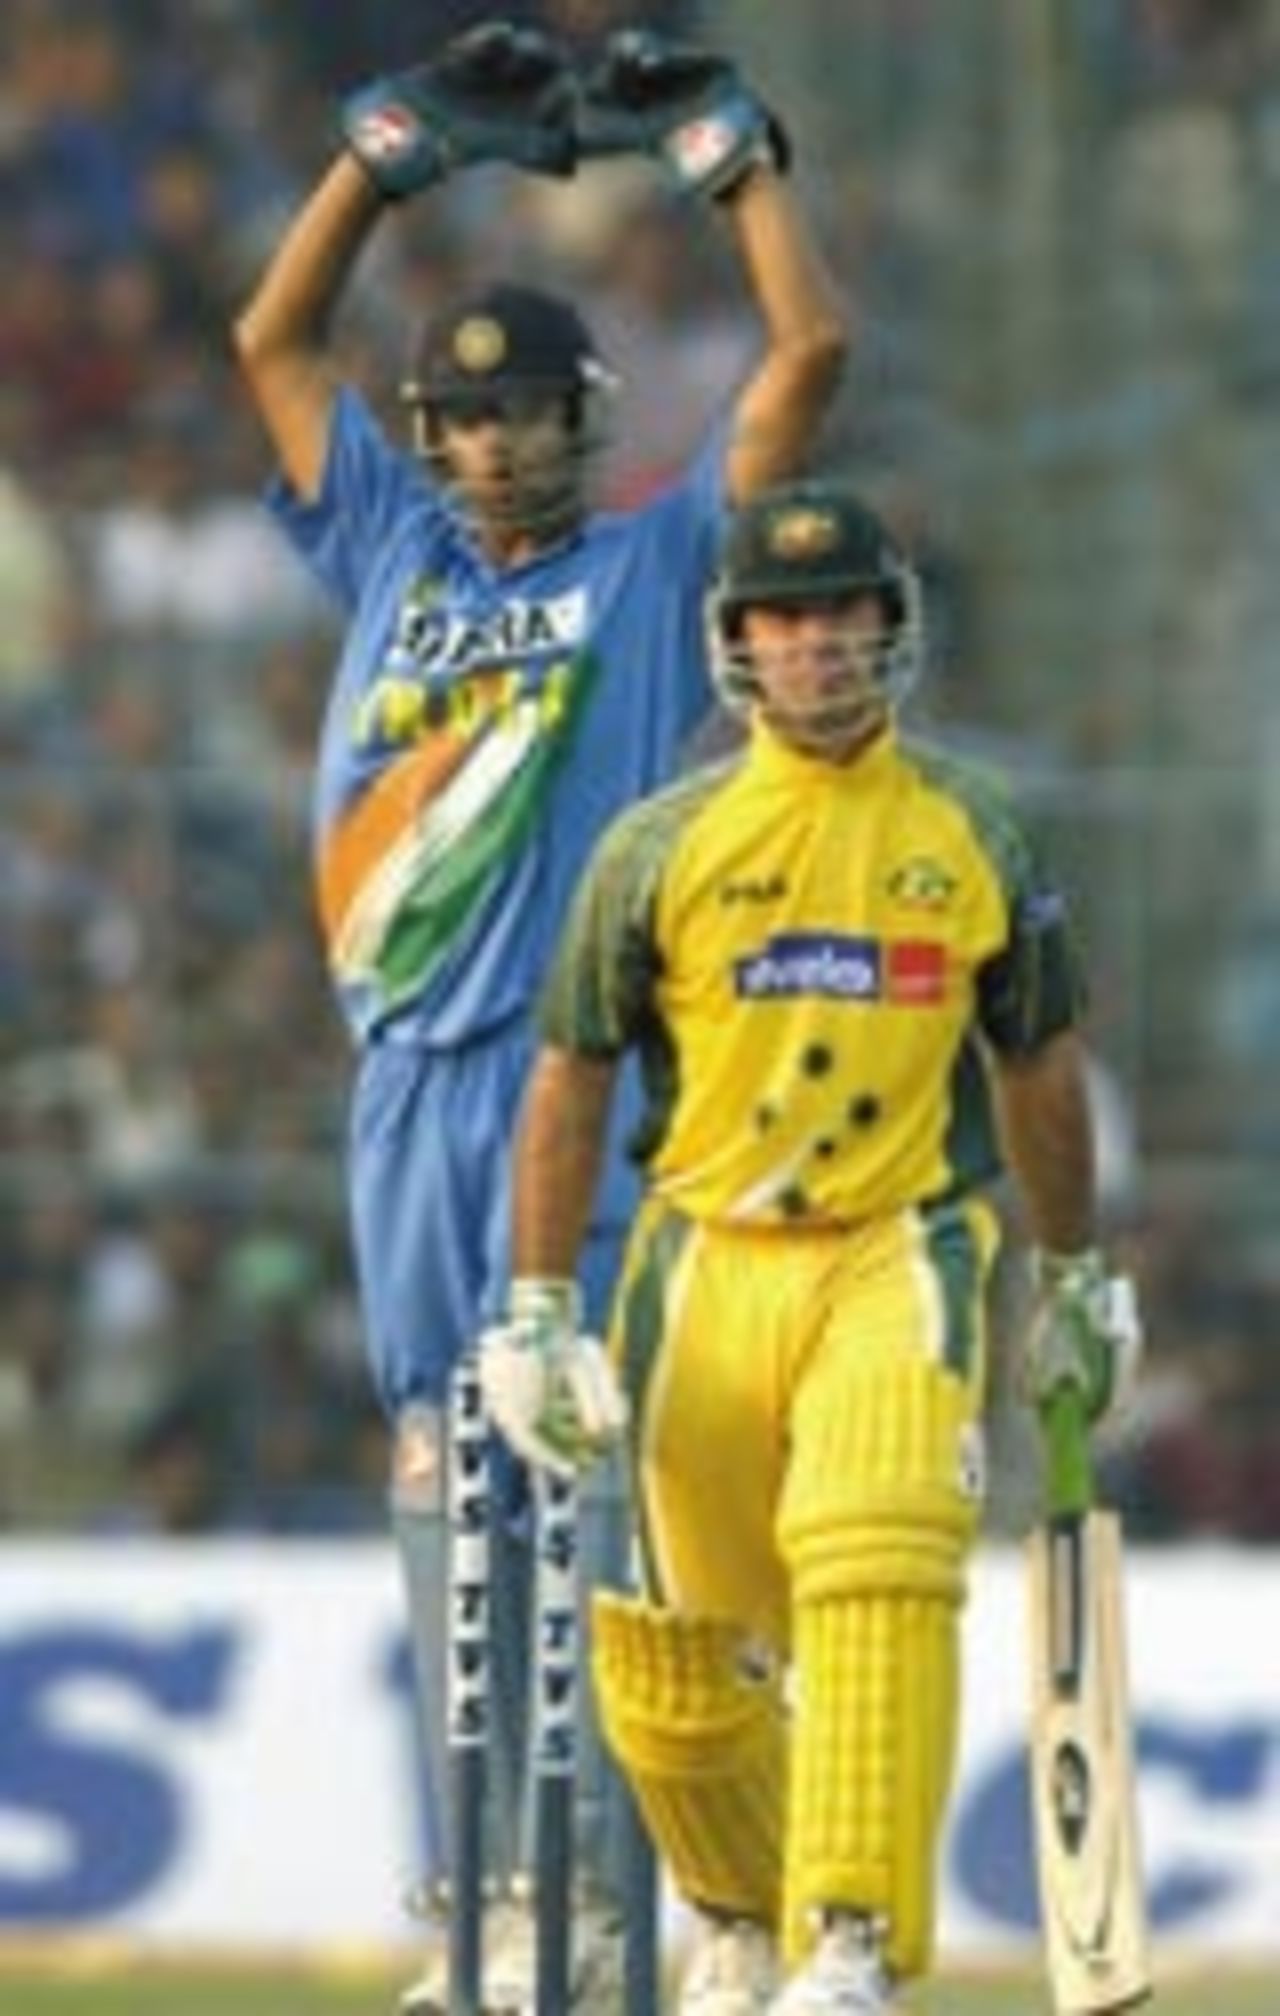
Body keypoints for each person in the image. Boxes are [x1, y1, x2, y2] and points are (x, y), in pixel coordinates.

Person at [230, 19, 846, 2013]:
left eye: (527, 418)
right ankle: (482, 1921)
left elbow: (805, 367)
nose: (492, 447)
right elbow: (272, 340)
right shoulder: (390, 543)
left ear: (585, 424)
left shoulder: (663, 565)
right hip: (396, 1092)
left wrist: (726, 161)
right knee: (441, 1487)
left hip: (565, 1092)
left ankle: (622, 1910)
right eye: (463, 420)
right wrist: (384, 162)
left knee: (569, 1501)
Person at [481, 479, 1143, 2014]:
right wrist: (532, 1311)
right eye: (785, 619)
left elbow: (1037, 1058)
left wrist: (1074, 1276)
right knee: (683, 1655)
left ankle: (848, 1939)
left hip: (896, 1247)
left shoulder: (968, 827)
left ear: (892, 627)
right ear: (737, 645)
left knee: (877, 1560)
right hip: (703, 1258)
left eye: (845, 612)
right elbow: (570, 1072)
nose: (819, 646)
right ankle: (743, 1920)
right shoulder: (662, 842)